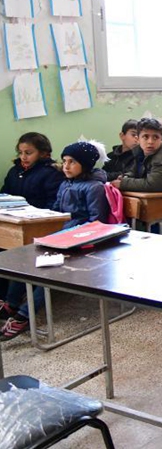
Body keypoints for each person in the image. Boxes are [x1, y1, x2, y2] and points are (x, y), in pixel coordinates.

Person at [1, 140, 110, 341]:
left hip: (80, 242)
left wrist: (69, 234)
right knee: (24, 260)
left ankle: (24, 316)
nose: (65, 166)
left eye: (72, 162)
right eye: (64, 161)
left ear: (85, 165)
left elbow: (97, 223)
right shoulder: (66, 183)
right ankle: (10, 303)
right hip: (58, 235)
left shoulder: (94, 187)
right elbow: (57, 210)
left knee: (47, 272)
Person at [111, 118, 162, 238]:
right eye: (145, 137)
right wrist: (125, 177)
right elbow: (133, 171)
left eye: (155, 137)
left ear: (161, 139)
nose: (150, 142)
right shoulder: (139, 152)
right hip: (153, 212)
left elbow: (153, 184)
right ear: (138, 138)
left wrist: (123, 184)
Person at [1, 132, 64, 209]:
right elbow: (4, 196)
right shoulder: (14, 171)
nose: (23, 157)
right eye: (20, 153)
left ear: (42, 153)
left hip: (39, 217)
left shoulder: (51, 173)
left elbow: (54, 201)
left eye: (28, 153)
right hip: (13, 216)